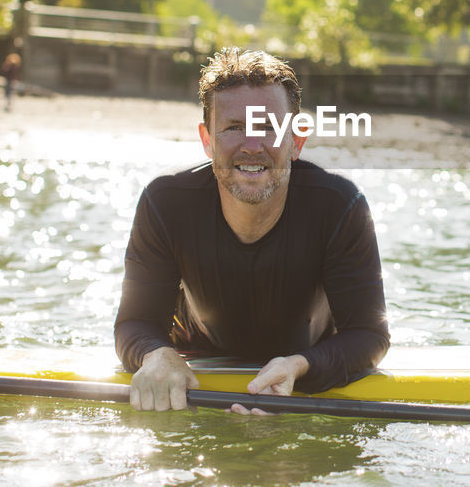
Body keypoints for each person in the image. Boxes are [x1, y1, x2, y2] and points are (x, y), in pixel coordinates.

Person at [114, 47, 390, 413]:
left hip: (305, 371)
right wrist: (157, 355)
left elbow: (369, 336)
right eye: (233, 128)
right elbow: (135, 323)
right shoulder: (165, 204)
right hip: (198, 374)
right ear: (207, 140)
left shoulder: (340, 207)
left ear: (297, 141)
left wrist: (300, 368)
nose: (252, 146)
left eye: (269, 128)